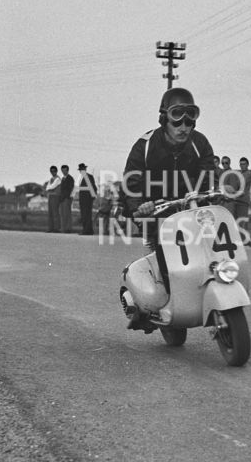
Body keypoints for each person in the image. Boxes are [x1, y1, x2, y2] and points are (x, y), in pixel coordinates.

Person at [119, 87, 216, 328]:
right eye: (177, 119)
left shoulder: (200, 142)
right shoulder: (145, 145)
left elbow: (208, 173)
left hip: (189, 207)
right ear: (164, 118)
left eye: (189, 119)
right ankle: (153, 306)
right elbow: (131, 182)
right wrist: (139, 206)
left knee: (209, 246)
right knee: (164, 258)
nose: (184, 126)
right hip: (156, 210)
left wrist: (210, 192)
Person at [77, 162, 98, 235]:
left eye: (82, 169)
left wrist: (92, 197)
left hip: (86, 199)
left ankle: (86, 230)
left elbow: (93, 187)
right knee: (86, 214)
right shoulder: (85, 177)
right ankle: (88, 230)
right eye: (80, 170)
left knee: (86, 215)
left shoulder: (87, 177)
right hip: (85, 199)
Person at [43, 165, 62, 233]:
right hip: (51, 196)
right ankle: (50, 228)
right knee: (50, 213)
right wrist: (48, 188)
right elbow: (47, 187)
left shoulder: (58, 179)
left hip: (56, 196)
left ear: (56, 171)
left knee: (55, 212)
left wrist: (48, 189)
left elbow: (52, 186)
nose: (52, 172)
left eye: (54, 171)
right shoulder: (51, 179)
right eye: (51, 171)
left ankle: (56, 228)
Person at [58, 164, 75, 233]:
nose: (63, 172)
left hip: (67, 198)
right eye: (62, 170)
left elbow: (69, 189)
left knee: (67, 214)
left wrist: (64, 197)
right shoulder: (63, 178)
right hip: (62, 198)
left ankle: (68, 228)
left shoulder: (70, 178)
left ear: (67, 170)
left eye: (64, 170)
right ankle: (63, 228)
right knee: (62, 213)